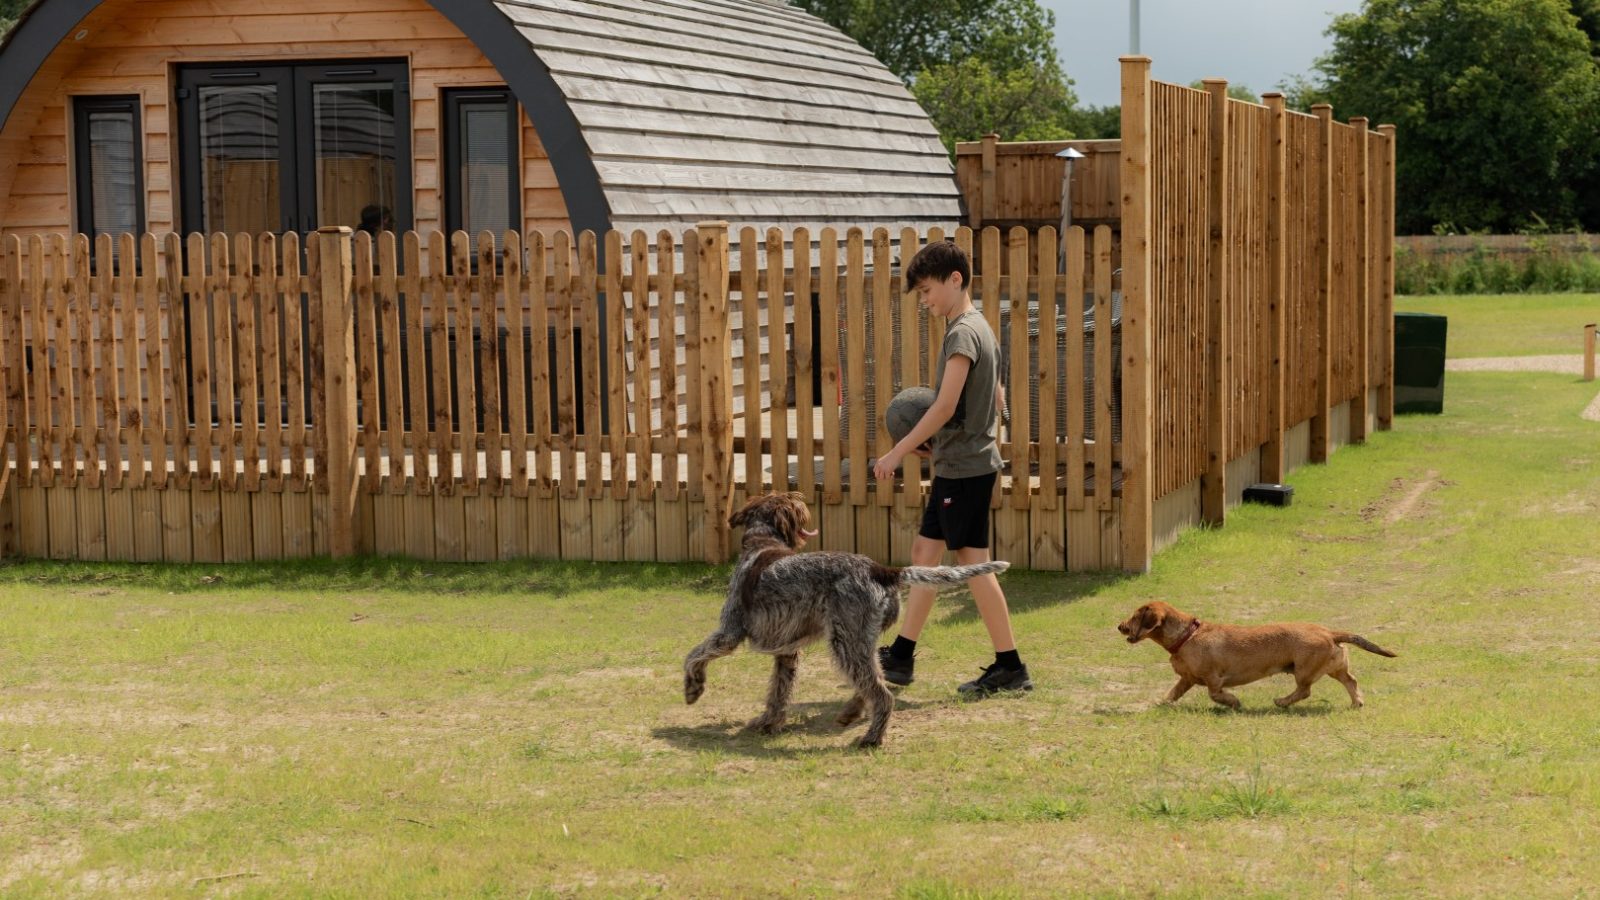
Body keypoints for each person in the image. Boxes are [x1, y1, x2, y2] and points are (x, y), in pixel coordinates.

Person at [871, 240, 1032, 697]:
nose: (924, 301)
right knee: (925, 556)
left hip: (964, 471)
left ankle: (1011, 666)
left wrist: (898, 452)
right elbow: (997, 396)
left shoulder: (962, 333)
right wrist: (963, 438)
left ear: (955, 279)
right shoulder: (979, 326)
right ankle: (901, 658)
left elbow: (943, 406)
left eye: (926, 291)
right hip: (959, 465)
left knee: (973, 567)